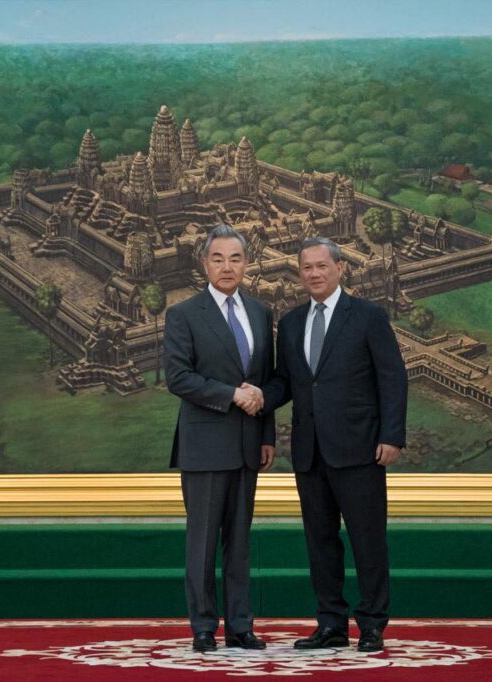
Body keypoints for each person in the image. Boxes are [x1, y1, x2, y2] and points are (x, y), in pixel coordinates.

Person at [252, 236, 408, 653]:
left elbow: (392, 377)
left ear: (340, 268)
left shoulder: (368, 316)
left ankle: (372, 624)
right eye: (307, 267)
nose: (314, 274)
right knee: (320, 543)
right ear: (299, 272)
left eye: (322, 266)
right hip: (310, 452)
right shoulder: (290, 323)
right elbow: (286, 382)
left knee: (367, 541)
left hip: (360, 449)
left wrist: (392, 435)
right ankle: (331, 624)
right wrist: (260, 396)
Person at [164, 224, 276, 653]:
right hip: (205, 448)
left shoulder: (261, 313)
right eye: (218, 258)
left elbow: (264, 380)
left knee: (240, 543)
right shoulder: (184, 314)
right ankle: (203, 627)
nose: (227, 267)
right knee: (203, 542)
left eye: (235, 258)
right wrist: (231, 395)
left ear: (247, 264)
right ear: (204, 264)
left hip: (249, 445)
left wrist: (266, 434)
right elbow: (179, 378)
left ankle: (241, 626)